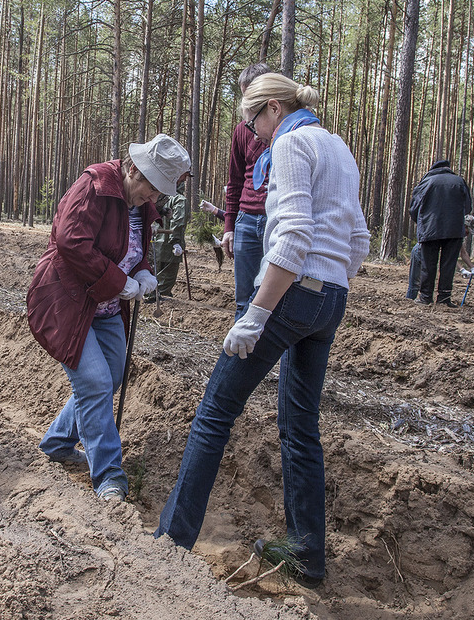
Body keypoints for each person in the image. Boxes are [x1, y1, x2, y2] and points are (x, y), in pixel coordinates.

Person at [156, 73, 370, 589]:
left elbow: (293, 236)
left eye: (253, 123)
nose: (253, 136)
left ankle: (170, 543)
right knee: (301, 428)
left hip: (292, 295)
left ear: (273, 108)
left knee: (214, 412)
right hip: (331, 299)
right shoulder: (338, 146)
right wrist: (330, 281)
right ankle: (307, 557)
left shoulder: (293, 143)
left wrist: (256, 313)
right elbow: (358, 237)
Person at [27, 134, 191, 502]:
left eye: (158, 196)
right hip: (68, 302)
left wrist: (145, 271)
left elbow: (135, 250)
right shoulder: (95, 184)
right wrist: (120, 282)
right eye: (149, 191)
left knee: (110, 376)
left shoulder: (144, 205)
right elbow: (71, 242)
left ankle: (57, 442)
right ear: (133, 169)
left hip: (106, 308)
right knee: (96, 382)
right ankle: (109, 477)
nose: (153, 200)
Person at [223, 63, 273, 319]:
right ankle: (241, 357)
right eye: (244, 96)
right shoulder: (242, 131)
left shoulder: (287, 129)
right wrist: (229, 226)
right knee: (244, 301)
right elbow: (234, 180)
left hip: (276, 222)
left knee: (276, 301)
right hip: (246, 221)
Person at [408, 159, 472, 306]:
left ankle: (425, 297)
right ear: (448, 169)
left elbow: (414, 208)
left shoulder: (426, 182)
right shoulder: (459, 181)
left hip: (430, 229)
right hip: (454, 230)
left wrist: (423, 221)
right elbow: (467, 206)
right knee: (448, 265)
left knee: (428, 264)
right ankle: (444, 298)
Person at [406, 214, 474, 300]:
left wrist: (473, 268)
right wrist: (462, 269)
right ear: (463, 225)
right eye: (467, 231)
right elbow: (447, 256)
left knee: (427, 281)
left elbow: (463, 253)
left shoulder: (457, 235)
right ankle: (410, 301)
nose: (467, 234)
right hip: (420, 251)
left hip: (430, 255)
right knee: (416, 282)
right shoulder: (448, 231)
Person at [150, 178, 191, 298]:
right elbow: (178, 222)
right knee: (167, 277)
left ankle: (151, 295)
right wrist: (176, 242)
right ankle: (158, 298)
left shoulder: (159, 197)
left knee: (154, 273)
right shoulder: (180, 200)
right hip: (170, 246)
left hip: (155, 243)